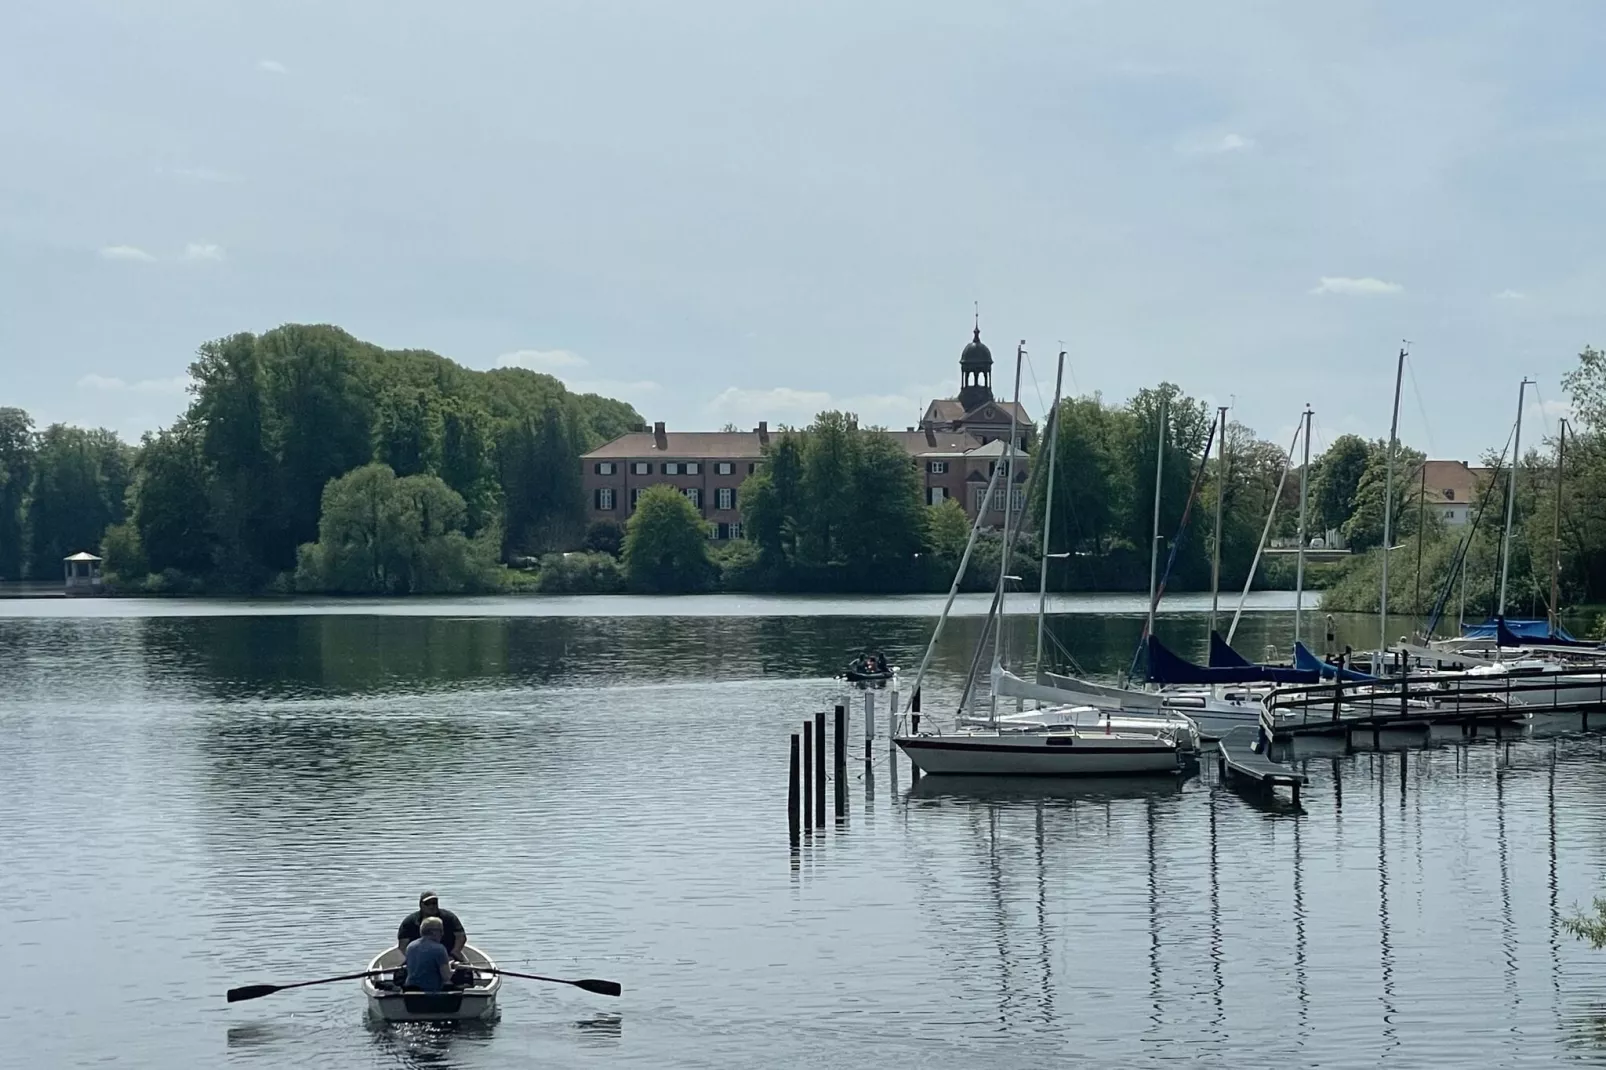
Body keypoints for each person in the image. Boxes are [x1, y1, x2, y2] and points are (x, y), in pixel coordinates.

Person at [397, 891, 467, 960]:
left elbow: (461, 936)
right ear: (421, 905)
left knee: (467, 969)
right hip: (418, 957)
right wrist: (414, 958)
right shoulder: (410, 921)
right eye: (427, 903)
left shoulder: (449, 918)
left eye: (434, 903)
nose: (431, 906)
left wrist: (454, 953)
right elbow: (402, 945)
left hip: (448, 955)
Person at [404, 916, 457, 992]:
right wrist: (454, 969)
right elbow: (446, 977)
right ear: (433, 932)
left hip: (410, 989)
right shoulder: (439, 948)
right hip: (431, 992)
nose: (442, 934)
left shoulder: (410, 946)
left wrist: (448, 965)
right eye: (440, 930)